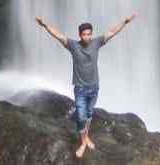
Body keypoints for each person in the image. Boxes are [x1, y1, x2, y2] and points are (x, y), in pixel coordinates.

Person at [35, 13, 137, 158]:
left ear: (91, 34)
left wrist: (125, 22)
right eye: (84, 34)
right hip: (80, 89)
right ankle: (83, 142)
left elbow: (112, 32)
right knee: (81, 116)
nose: (87, 37)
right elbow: (58, 35)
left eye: (89, 34)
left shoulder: (96, 43)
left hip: (94, 87)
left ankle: (86, 136)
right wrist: (44, 24)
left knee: (89, 115)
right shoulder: (73, 46)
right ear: (80, 35)